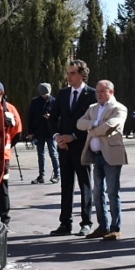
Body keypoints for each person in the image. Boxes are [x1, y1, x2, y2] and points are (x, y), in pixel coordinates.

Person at [78, 79, 130, 240]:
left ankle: (115, 228)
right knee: (97, 192)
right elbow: (79, 123)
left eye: (102, 91)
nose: (98, 94)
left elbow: (110, 127)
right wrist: (94, 123)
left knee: (112, 192)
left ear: (111, 92)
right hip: (96, 156)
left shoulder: (119, 108)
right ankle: (103, 226)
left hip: (112, 156)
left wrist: (92, 129)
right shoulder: (93, 108)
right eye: (97, 91)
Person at [49, 60, 95, 237]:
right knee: (66, 186)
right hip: (64, 147)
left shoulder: (91, 95)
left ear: (82, 75)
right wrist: (57, 137)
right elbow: (53, 119)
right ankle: (65, 223)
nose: (68, 76)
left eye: (72, 73)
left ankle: (86, 223)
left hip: (82, 147)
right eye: (68, 73)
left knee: (85, 185)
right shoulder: (62, 94)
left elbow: (92, 122)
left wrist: (74, 136)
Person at [0, 80, 22, 227]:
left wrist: (7, 146)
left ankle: (4, 218)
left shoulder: (10, 109)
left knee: (3, 187)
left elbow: (17, 132)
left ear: (1, 93)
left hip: (3, 156)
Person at [26, 83, 60, 184]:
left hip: (51, 132)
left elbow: (60, 117)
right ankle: (41, 175)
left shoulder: (54, 101)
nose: (45, 96)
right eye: (43, 94)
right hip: (39, 132)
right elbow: (30, 117)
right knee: (40, 154)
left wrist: (51, 117)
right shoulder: (35, 102)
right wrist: (30, 132)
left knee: (53, 153)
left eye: (47, 94)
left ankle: (57, 174)